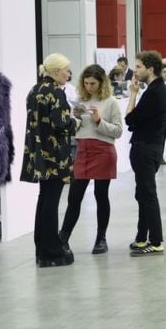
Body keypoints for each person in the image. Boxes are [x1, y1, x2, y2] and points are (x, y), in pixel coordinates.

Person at [21, 53, 77, 267]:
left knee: (44, 199)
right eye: (66, 70)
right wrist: (75, 122)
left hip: (38, 153)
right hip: (55, 156)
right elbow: (60, 123)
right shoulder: (56, 93)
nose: (68, 73)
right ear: (56, 71)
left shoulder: (34, 90)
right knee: (51, 202)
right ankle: (52, 251)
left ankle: (42, 249)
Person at [61, 64, 123, 255]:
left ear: (101, 82)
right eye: (86, 83)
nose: (89, 87)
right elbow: (75, 129)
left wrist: (98, 120)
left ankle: (101, 239)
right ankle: (63, 238)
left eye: (93, 83)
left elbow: (118, 131)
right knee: (74, 197)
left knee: (100, 195)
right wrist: (75, 120)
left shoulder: (111, 101)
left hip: (103, 150)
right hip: (83, 150)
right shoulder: (79, 100)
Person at [125, 51, 166, 256]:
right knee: (142, 193)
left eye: (138, 67)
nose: (135, 71)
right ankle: (142, 237)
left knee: (148, 194)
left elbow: (130, 119)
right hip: (149, 146)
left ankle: (156, 240)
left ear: (150, 69)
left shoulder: (154, 92)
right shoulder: (156, 89)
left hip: (146, 148)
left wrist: (133, 94)